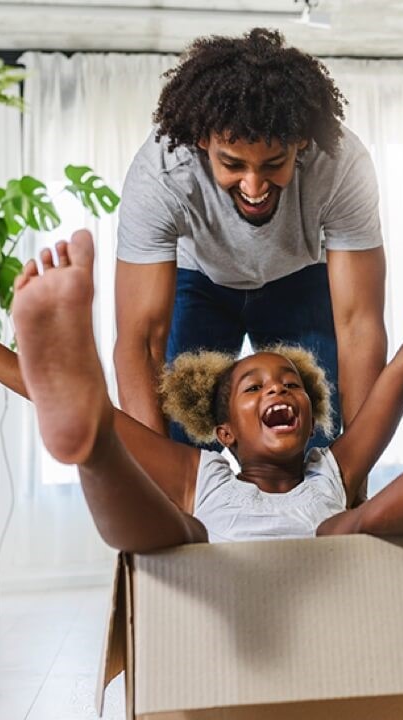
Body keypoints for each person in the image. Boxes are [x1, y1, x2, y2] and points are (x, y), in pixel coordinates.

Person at [8, 186, 403, 550]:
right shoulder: (201, 475)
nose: (279, 389)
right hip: (215, 575)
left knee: (352, 527)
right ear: (223, 432)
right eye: (254, 387)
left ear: (311, 418)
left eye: (291, 384)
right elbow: (68, 397)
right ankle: (89, 446)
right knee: (178, 533)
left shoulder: (332, 470)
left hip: (325, 570)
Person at [114, 28, 387, 456]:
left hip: (298, 277)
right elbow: (141, 342)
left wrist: (355, 471)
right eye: (233, 164)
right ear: (203, 143)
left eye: (274, 163)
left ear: (301, 143)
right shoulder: (160, 176)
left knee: (320, 437)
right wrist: (158, 478)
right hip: (199, 279)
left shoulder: (341, 165)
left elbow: (359, 327)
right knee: (180, 437)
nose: (254, 184)